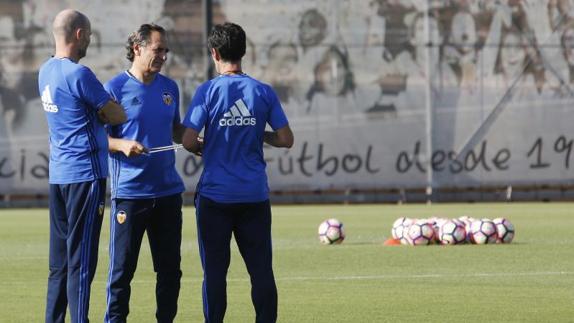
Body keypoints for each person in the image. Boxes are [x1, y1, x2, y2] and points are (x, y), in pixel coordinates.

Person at [181, 22, 294, 323]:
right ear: (244, 52)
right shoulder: (262, 92)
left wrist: (205, 144)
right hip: (254, 196)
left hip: (215, 198)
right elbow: (285, 139)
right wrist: (260, 135)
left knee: (215, 273)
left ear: (214, 53)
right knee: (261, 271)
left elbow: (189, 140)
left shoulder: (208, 91)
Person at [38, 9, 126, 323]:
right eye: (88, 35)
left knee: (59, 262)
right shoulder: (79, 74)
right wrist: (109, 111)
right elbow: (116, 114)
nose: (89, 40)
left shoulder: (45, 71)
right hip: (85, 177)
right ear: (79, 35)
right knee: (82, 260)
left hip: (58, 176)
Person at [103, 23, 186, 323]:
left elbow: (175, 129)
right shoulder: (114, 89)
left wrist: (192, 140)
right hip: (130, 196)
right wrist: (121, 144)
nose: (163, 55)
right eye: (157, 49)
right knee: (122, 270)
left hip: (167, 194)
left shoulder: (170, 88)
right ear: (137, 48)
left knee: (170, 271)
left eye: (165, 50)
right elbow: (98, 138)